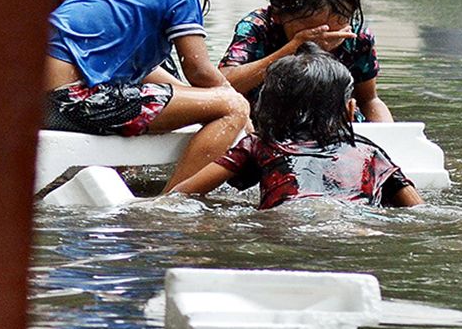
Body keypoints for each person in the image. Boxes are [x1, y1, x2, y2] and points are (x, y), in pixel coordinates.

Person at [44, 0, 251, 191]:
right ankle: (172, 201)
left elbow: (147, 70)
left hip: (32, 99)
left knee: (150, 93)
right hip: (71, 101)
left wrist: (193, 98)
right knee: (232, 107)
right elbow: (200, 72)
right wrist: (235, 102)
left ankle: (125, 180)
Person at [170, 45, 423, 209]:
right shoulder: (369, 152)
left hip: (284, 223)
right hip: (356, 226)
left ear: (264, 106)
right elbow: (418, 210)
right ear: (349, 110)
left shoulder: (259, 145)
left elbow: (180, 195)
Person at [218, 0, 393, 122]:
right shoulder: (259, 26)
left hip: (334, 126)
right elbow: (222, 86)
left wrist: (389, 141)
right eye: (313, 32)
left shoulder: (357, 37)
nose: (324, 39)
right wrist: (293, 49)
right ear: (278, 15)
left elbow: (369, 99)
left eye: (333, 30)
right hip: (267, 124)